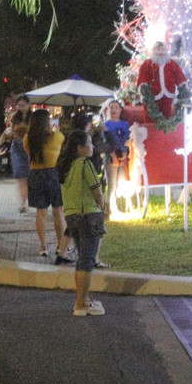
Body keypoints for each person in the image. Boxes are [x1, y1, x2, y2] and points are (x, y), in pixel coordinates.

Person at [58, 130, 107, 316]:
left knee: (81, 259)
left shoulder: (65, 166)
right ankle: (81, 303)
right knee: (87, 261)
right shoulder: (85, 164)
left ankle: (82, 300)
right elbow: (97, 190)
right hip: (89, 216)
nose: (93, 147)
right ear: (80, 148)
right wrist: (103, 207)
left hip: (72, 217)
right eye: (89, 144)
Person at [25, 108, 71, 264]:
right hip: (53, 174)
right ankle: (60, 245)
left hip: (35, 175)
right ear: (47, 122)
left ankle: (43, 246)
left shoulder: (27, 139)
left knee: (41, 212)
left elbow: (29, 154)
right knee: (59, 211)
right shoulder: (57, 136)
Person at [137, 40, 189, 118]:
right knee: (150, 117)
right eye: (158, 49)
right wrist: (143, 89)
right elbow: (143, 78)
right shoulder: (147, 64)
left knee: (167, 116)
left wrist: (183, 85)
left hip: (168, 96)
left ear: (166, 51)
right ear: (154, 50)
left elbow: (179, 76)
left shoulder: (171, 64)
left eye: (163, 49)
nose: (160, 52)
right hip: (152, 97)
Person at [99, 99, 131, 212]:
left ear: (120, 110)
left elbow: (128, 139)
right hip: (111, 157)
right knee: (111, 183)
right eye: (111, 107)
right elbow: (105, 142)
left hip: (124, 157)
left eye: (116, 108)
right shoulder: (105, 125)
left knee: (123, 181)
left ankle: (125, 206)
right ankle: (113, 208)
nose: (114, 110)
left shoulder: (125, 124)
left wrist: (125, 153)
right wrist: (113, 155)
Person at [5, 95, 32, 213]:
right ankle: (23, 203)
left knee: (31, 176)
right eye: (18, 105)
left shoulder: (34, 117)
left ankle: (29, 199)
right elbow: (11, 130)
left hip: (30, 147)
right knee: (21, 176)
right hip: (17, 146)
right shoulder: (15, 117)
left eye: (23, 105)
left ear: (28, 104)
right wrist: (10, 133)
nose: (20, 108)